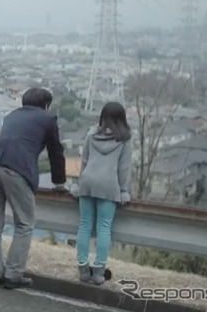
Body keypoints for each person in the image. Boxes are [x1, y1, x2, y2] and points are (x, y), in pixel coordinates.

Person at [0, 87, 66, 289]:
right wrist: (59, 182)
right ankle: (13, 275)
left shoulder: (11, 116)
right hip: (16, 170)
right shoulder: (48, 119)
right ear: (46, 104)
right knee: (24, 224)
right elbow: (56, 152)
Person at [70, 101, 132, 285]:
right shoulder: (125, 139)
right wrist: (124, 191)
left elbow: (85, 161)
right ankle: (98, 273)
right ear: (122, 118)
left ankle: (82, 270)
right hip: (108, 186)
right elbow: (124, 168)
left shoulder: (91, 134)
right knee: (104, 228)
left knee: (85, 225)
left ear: (103, 117)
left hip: (88, 182)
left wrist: (80, 185)